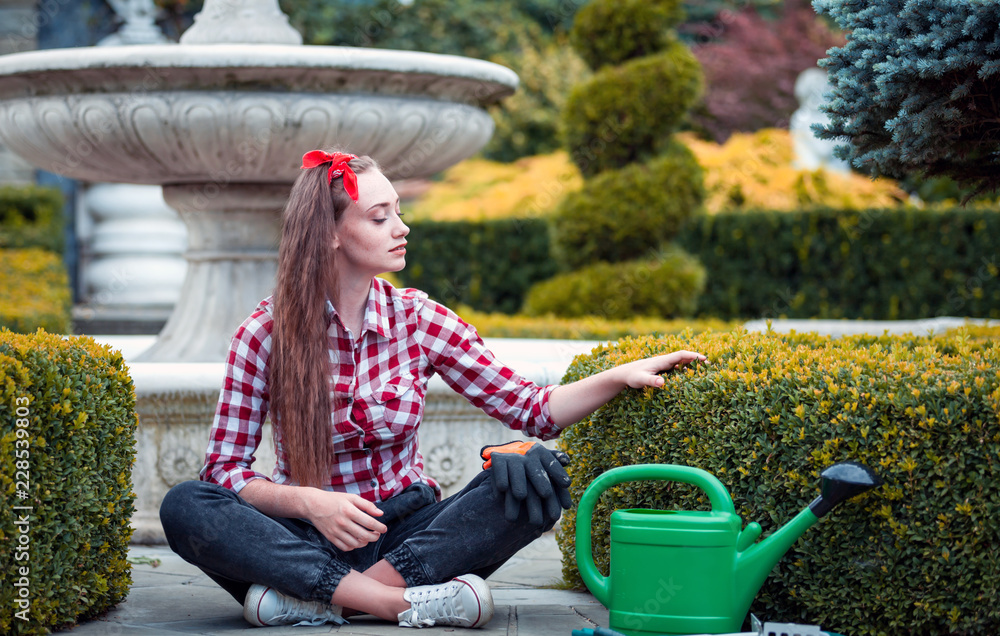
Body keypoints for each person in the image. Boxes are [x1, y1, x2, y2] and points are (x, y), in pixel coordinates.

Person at [159, 150, 707, 630]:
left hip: (411, 537)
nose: (402, 227)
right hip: (302, 540)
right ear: (329, 232)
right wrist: (311, 502)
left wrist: (618, 375)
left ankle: (318, 604)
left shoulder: (419, 319)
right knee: (187, 505)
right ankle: (399, 605)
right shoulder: (265, 334)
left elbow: (531, 408)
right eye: (380, 216)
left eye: (399, 210)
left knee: (536, 477)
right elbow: (226, 472)